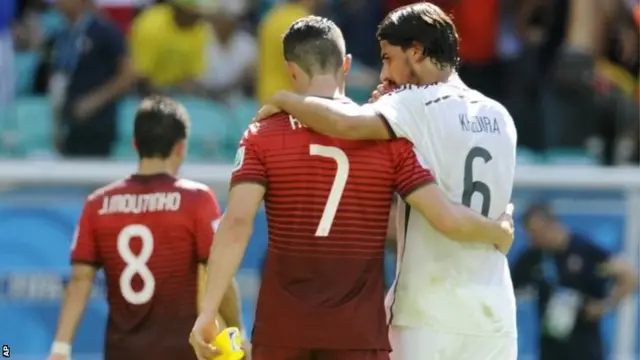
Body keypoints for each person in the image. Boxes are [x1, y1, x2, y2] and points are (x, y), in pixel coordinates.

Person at [190, 16, 515, 360]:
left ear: (291, 70)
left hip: (282, 329)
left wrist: (208, 311)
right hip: (360, 333)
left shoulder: (263, 135)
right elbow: (442, 214)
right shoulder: (390, 139)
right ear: (346, 65)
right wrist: (498, 228)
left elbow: (237, 223)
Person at [48, 96, 243, 360]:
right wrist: (238, 333)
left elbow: (81, 279)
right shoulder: (197, 200)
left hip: (122, 352)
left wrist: (61, 346)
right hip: (179, 352)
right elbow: (219, 276)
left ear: (135, 144)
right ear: (181, 148)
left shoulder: (98, 204)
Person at [513, 204, 638, 360]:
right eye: (530, 234)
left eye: (537, 233)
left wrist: (605, 306)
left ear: (552, 224)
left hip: (585, 345)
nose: (534, 239)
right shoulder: (531, 258)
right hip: (551, 346)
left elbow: (628, 275)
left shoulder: (583, 250)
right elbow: (510, 289)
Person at [51, 0, 135, 158]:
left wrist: (95, 100)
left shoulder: (104, 31)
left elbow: (128, 75)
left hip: (97, 123)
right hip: (69, 121)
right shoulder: (62, 34)